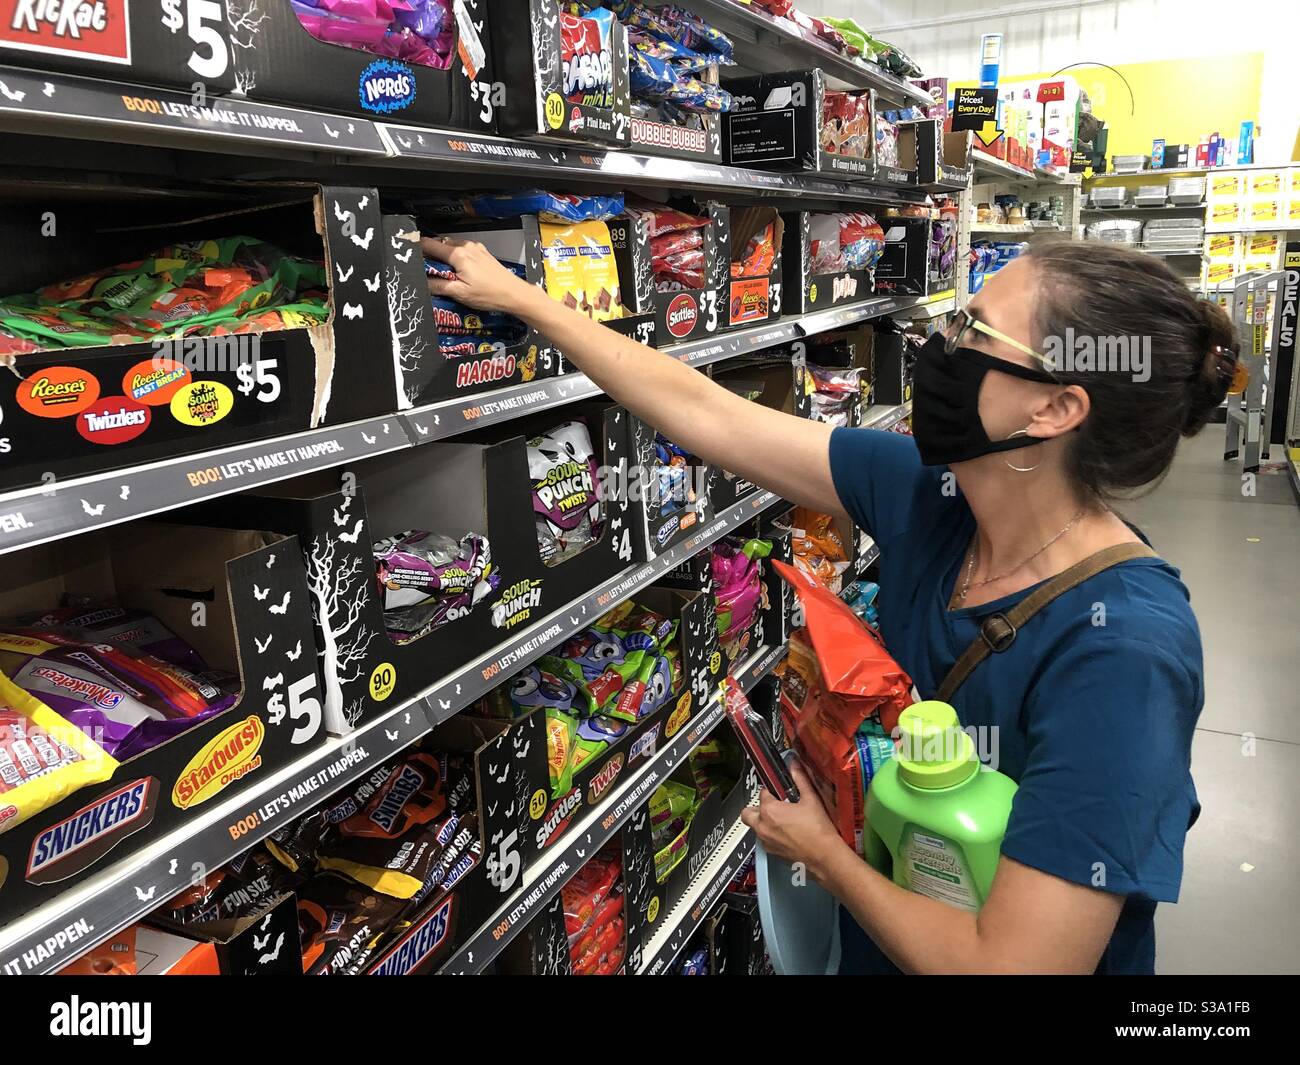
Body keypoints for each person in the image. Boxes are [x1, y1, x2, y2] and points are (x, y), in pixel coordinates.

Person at [425, 234, 1237, 974]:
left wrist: (827, 855)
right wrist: (525, 299)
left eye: (974, 330)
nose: (938, 346)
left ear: (1054, 406)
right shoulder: (937, 496)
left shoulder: (1124, 649)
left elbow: (1014, 965)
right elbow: (710, 414)